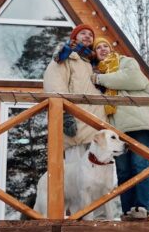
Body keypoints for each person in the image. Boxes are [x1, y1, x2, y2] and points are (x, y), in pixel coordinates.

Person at [91, 37, 149, 220]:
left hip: (140, 121)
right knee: (123, 170)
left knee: (140, 165)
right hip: (117, 130)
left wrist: (100, 78)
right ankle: (127, 211)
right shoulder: (96, 74)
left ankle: (142, 208)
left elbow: (133, 80)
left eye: (106, 45)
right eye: (98, 48)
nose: (103, 49)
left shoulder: (125, 62)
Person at [43, 24, 107, 163]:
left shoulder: (94, 64)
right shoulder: (65, 56)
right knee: (76, 175)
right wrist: (65, 114)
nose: (87, 36)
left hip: (97, 130)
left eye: (90, 35)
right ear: (74, 37)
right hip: (77, 128)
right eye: (83, 33)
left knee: (97, 178)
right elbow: (54, 83)